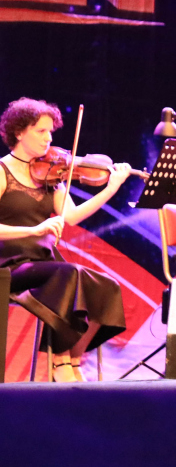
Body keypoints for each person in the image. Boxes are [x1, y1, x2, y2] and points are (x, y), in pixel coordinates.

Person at [0, 97, 130, 382]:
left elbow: (71, 216)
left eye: (50, 132)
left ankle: (73, 358)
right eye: (41, 131)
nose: (48, 138)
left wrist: (111, 188)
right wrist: (33, 231)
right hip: (9, 264)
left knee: (106, 286)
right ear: (19, 132)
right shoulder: (2, 172)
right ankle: (59, 361)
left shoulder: (50, 174)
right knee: (69, 275)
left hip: (43, 263)